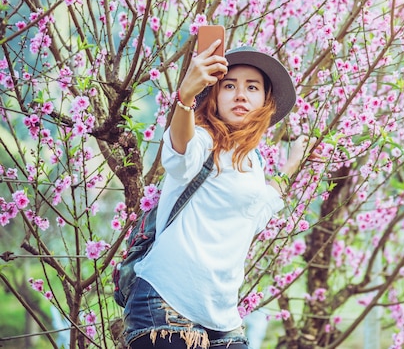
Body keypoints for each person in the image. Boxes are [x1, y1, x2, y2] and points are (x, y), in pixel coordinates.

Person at [123, 40, 313, 348]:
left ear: (266, 99)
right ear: (214, 95)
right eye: (229, 86)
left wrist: (291, 166)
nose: (240, 94)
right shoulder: (202, 139)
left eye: (252, 87)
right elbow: (179, 156)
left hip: (222, 316)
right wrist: (185, 99)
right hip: (166, 300)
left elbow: (259, 211)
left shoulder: (254, 162)